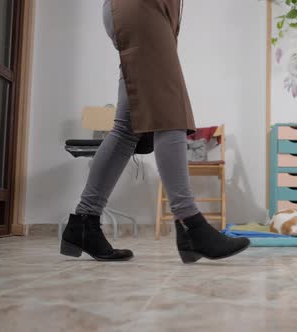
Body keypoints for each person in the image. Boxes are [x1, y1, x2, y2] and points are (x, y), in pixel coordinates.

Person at [59, 0, 250, 263]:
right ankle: (190, 224)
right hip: (144, 7)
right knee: (169, 112)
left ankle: (83, 224)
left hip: (143, 10)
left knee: (127, 129)